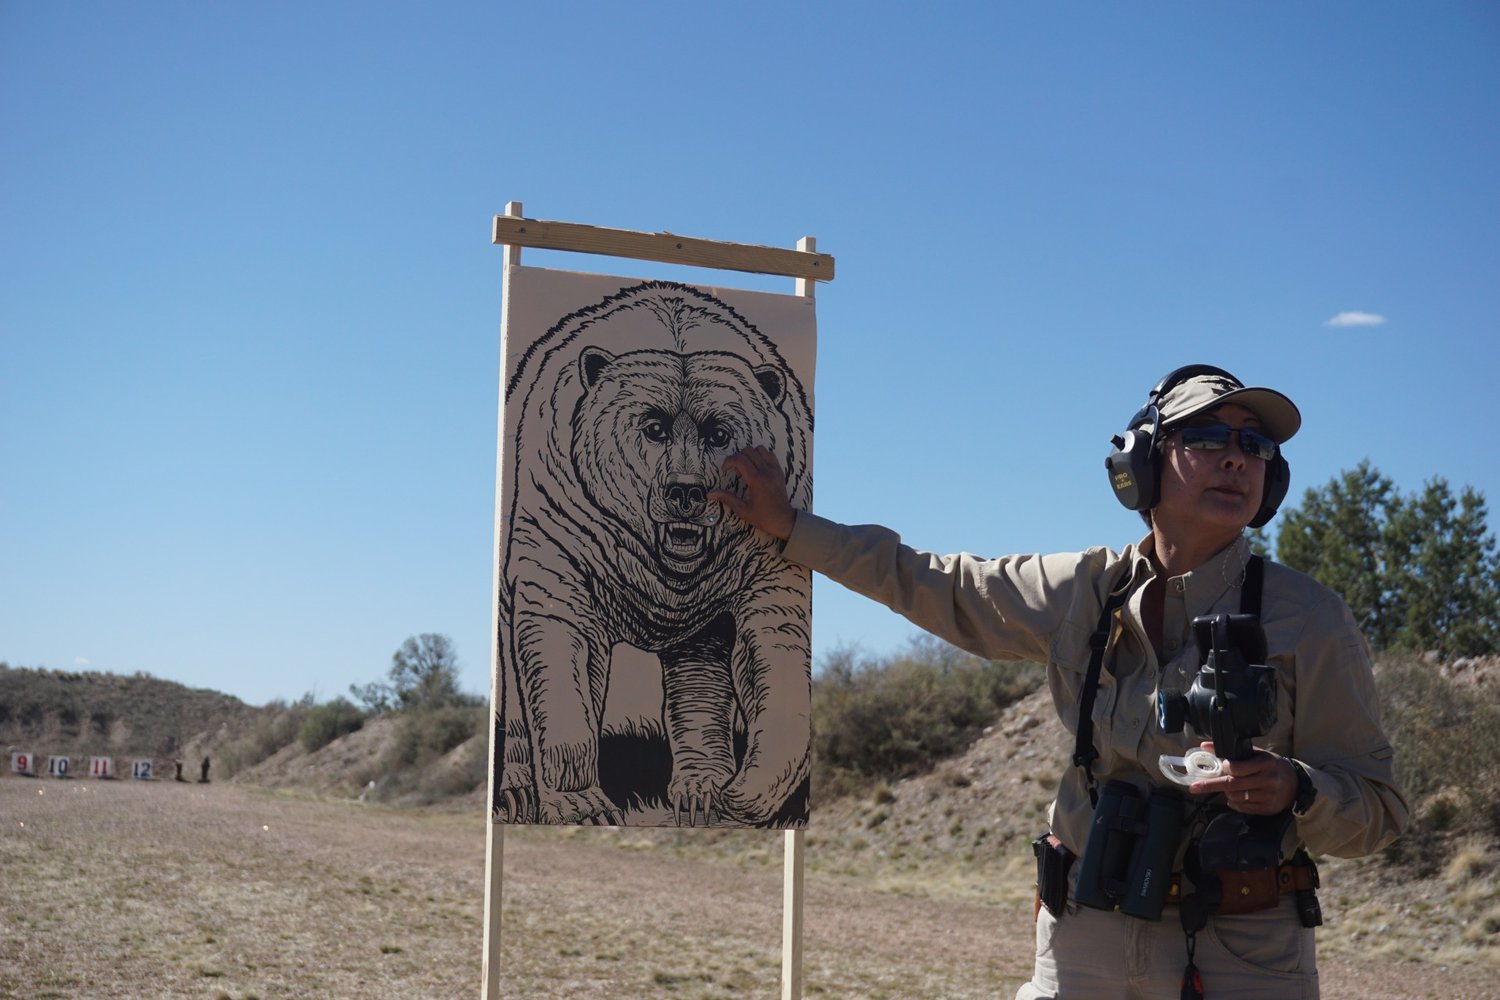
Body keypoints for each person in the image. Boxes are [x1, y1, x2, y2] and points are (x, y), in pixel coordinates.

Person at [711, 365, 1408, 1000]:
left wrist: (1299, 788)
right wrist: (791, 527)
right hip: (1085, 937)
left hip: (1247, 952)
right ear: (1141, 465)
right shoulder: (1082, 589)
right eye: (1205, 436)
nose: (1235, 457)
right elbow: (932, 581)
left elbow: (1379, 810)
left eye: (1255, 447)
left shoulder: (1311, 619)